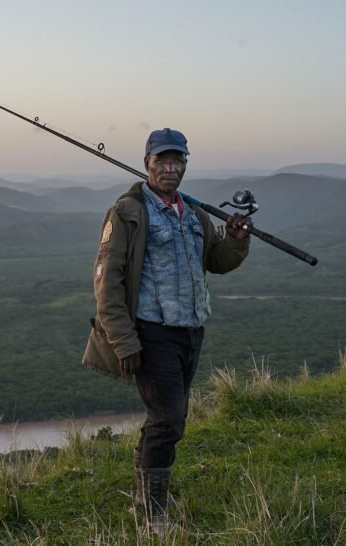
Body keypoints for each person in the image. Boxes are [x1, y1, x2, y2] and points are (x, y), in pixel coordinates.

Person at [82, 128, 251, 534]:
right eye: (162, 161)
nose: (171, 169)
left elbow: (215, 260)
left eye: (178, 161)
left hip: (191, 330)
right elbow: (107, 281)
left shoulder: (193, 212)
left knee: (163, 418)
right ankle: (153, 515)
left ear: (185, 164)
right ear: (148, 164)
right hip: (151, 332)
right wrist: (124, 340)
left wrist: (235, 241)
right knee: (170, 419)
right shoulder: (127, 211)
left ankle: (147, 495)